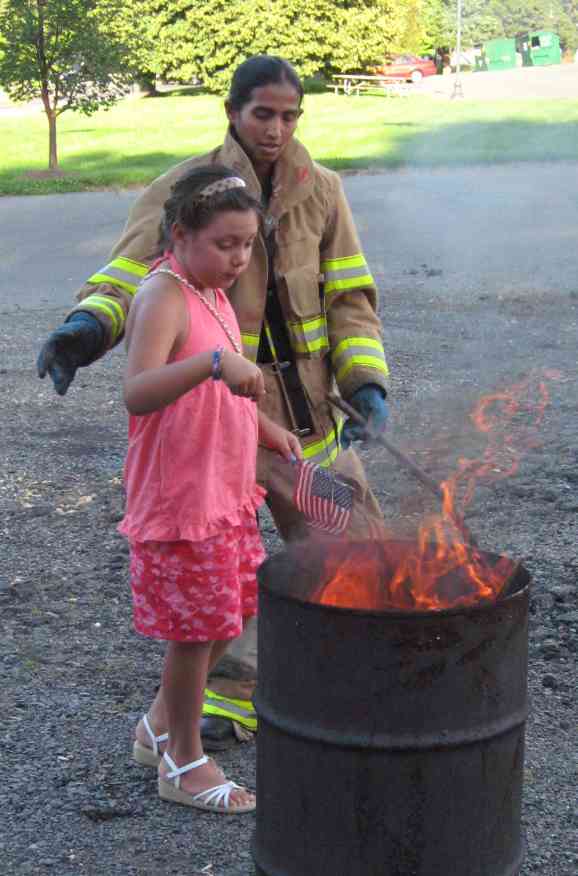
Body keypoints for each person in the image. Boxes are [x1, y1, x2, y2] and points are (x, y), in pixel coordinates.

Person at [37, 55, 390, 750]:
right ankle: (218, 705)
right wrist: (85, 330)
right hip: (227, 422)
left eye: (290, 116)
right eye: (263, 113)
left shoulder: (323, 190)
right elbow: (132, 276)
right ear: (233, 111)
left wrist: (366, 384)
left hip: (307, 417)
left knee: (351, 546)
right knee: (224, 567)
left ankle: (340, 682)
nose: (277, 129)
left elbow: (350, 295)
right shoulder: (189, 191)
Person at [121, 163, 301, 810]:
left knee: (238, 610)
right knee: (195, 633)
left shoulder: (211, 293)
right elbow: (138, 395)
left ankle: (156, 727)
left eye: (248, 244)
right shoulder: (165, 295)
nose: (238, 258)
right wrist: (213, 362)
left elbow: (224, 396)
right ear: (180, 235)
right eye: (225, 244)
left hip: (225, 491)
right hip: (182, 499)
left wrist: (267, 429)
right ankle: (183, 762)